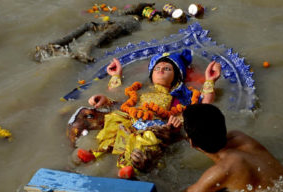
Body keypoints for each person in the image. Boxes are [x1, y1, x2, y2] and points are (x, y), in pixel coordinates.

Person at [81, 49, 221, 178]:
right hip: (132, 119)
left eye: (167, 69)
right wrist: (110, 88)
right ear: (151, 74)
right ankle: (96, 153)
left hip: (154, 125)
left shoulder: (179, 98)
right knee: (113, 120)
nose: (161, 71)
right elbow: (120, 101)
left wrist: (210, 80)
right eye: (157, 68)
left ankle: (131, 168)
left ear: (176, 77)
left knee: (148, 139)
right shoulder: (140, 91)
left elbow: (204, 105)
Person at [182, 104, 283, 192]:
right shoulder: (239, 136)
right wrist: (182, 137)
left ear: (192, 143)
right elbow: (214, 144)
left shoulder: (221, 171)